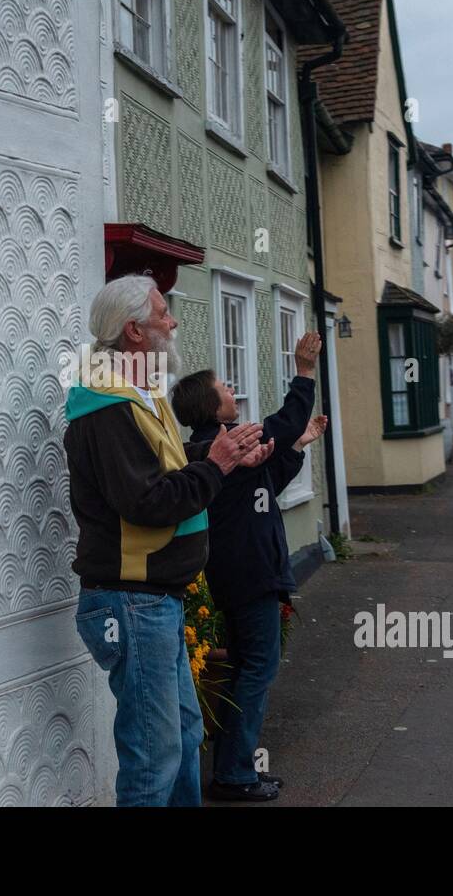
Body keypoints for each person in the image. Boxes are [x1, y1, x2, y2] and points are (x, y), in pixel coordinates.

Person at [64, 274, 273, 807]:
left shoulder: (134, 394)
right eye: (163, 313)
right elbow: (149, 503)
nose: (172, 320)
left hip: (151, 599)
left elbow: (162, 472)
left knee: (181, 737)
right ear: (134, 331)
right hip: (132, 601)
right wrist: (218, 466)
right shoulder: (109, 406)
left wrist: (216, 459)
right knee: (154, 758)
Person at [170, 332, 327, 801]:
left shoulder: (220, 453)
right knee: (257, 669)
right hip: (250, 576)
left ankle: (234, 769)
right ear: (210, 406)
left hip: (240, 574)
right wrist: (303, 370)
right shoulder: (222, 446)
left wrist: (296, 446)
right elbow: (283, 422)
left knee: (245, 668)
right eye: (223, 386)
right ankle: (235, 774)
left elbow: (265, 485)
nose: (231, 388)